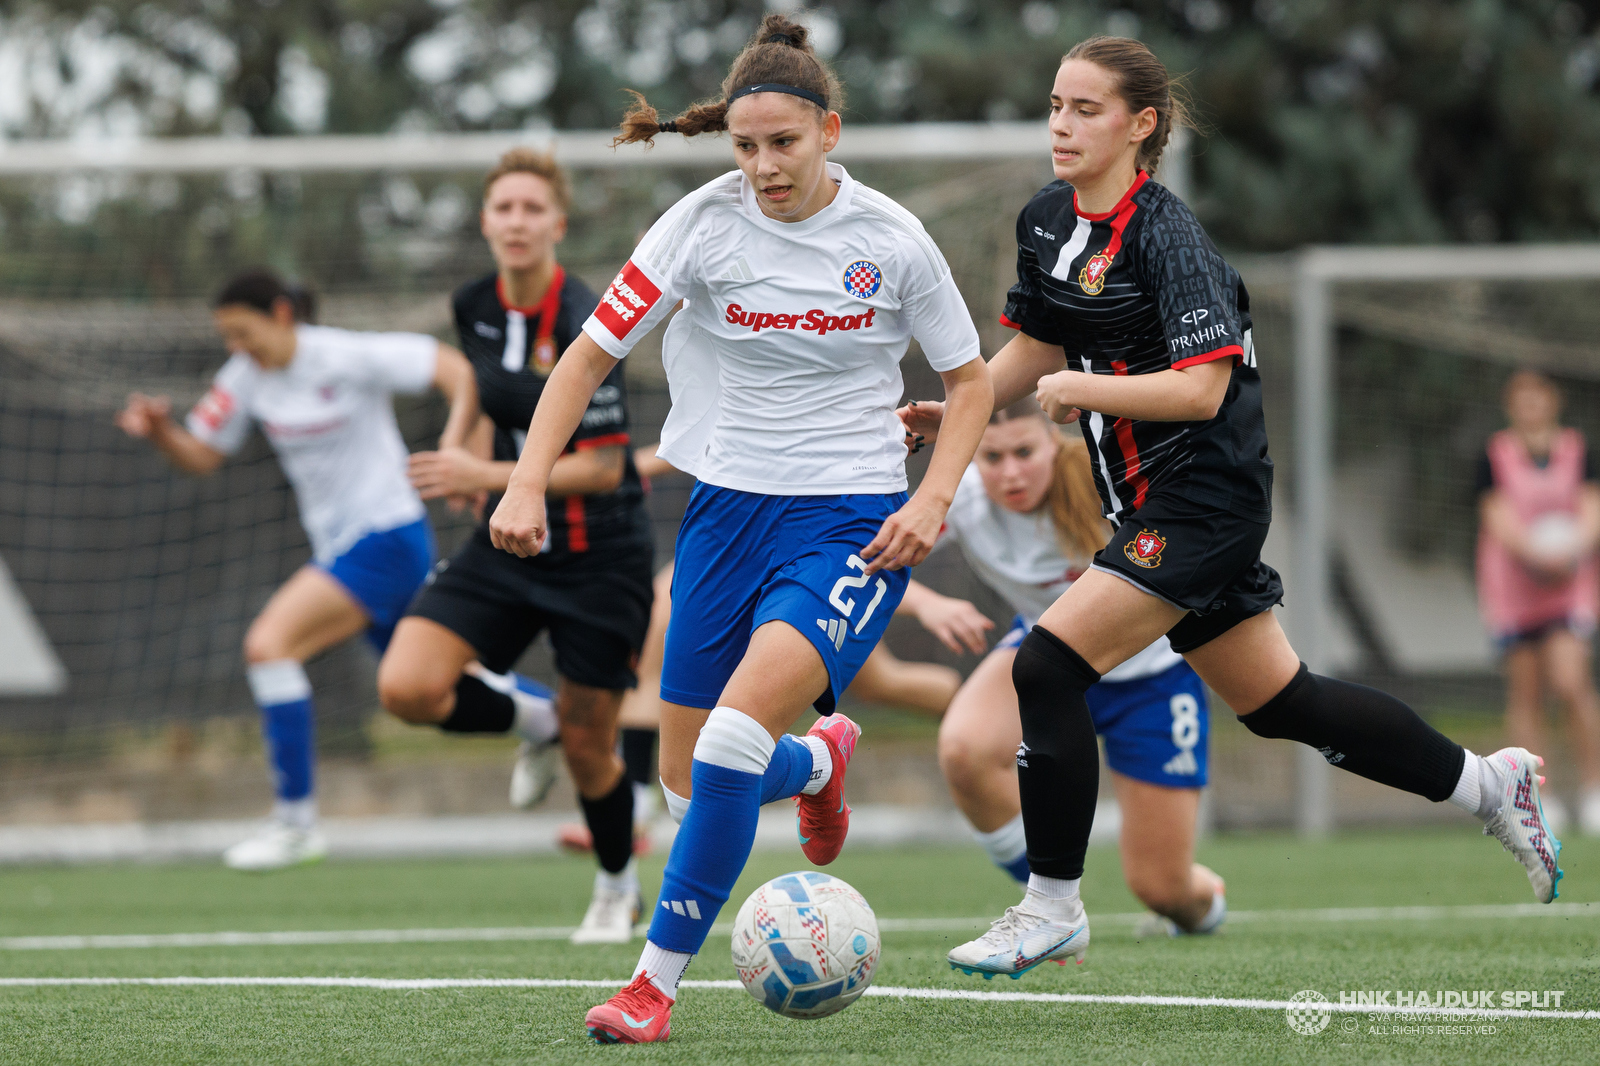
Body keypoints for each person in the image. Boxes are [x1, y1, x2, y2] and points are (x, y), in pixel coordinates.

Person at [899, 36, 1562, 980]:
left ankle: (1050, 908)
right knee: (1282, 703)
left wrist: (1086, 394)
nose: (1062, 123)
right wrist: (964, 404)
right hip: (1149, 506)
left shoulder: (1169, 237)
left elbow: (1201, 391)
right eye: (1055, 104)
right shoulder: (1048, 220)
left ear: (1142, 125)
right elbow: (1034, 350)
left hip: (1208, 496)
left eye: (1087, 109)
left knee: (1045, 667)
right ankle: (1490, 785)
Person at [488, 16, 992, 1043]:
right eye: (745, 146)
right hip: (721, 515)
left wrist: (928, 499)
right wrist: (525, 482)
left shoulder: (891, 240)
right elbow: (584, 360)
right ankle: (815, 763)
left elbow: (971, 380)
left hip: (849, 518)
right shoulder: (699, 226)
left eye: (784, 144)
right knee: (683, 788)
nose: (763, 166)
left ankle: (651, 986)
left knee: (727, 734)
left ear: (829, 133)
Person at [375, 149, 657, 945]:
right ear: (486, 222)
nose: (518, 221)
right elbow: (476, 384)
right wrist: (457, 446)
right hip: (506, 544)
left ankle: (615, 885)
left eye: (534, 208)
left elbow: (603, 469)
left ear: (558, 224)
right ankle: (529, 718)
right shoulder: (473, 303)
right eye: (505, 208)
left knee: (591, 745)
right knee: (406, 687)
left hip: (602, 556)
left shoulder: (590, 314)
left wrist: (484, 469)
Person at [115, 269, 477, 870]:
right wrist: (160, 432)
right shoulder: (243, 379)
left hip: (386, 535)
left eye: (242, 331)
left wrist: (463, 443)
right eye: (226, 337)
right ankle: (554, 725)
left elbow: (454, 369)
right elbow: (203, 456)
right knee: (436, 690)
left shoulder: (345, 353)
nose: (236, 346)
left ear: (282, 313)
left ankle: (295, 823)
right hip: (342, 549)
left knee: (269, 645)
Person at [909, 399, 1224, 935]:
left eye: (1025, 452)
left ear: (1054, 443)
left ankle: (1206, 900)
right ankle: (1050, 911)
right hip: (1048, 658)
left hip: (1150, 676)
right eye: (992, 458)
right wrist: (928, 604)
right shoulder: (959, 503)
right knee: (964, 748)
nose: (1010, 472)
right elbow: (868, 559)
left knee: (1163, 890)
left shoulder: (1112, 487)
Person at [1477, 369, 1600, 837]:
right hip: (1513, 589)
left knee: (1570, 682)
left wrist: (1570, 552)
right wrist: (1536, 555)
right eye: (1521, 398)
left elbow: (1591, 510)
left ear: (1553, 400)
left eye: (1538, 397)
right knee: (1526, 694)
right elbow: (1497, 517)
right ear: (1512, 405)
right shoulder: (1494, 454)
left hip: (1568, 584)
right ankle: (1538, 798)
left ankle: (1593, 790)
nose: (1530, 406)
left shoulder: (1578, 449)